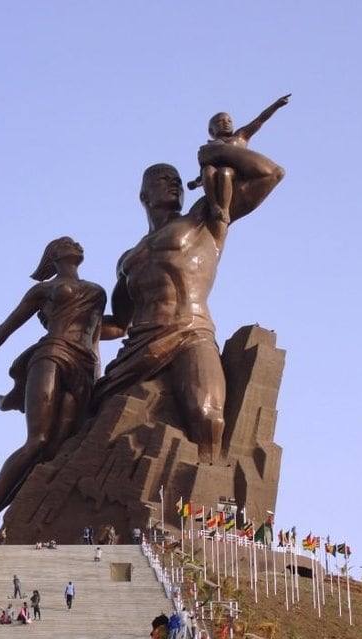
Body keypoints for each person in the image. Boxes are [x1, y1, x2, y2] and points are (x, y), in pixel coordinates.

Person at [94, 139, 285, 464]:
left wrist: (218, 153)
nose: (173, 183)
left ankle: (204, 497)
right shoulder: (128, 259)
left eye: (177, 181)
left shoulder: (204, 218)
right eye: (161, 178)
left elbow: (270, 174)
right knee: (88, 419)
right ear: (144, 196)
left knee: (208, 415)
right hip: (139, 345)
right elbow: (117, 323)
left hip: (190, 331)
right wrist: (67, 325)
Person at [0, 238, 123, 528]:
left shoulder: (97, 292)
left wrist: (96, 380)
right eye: (68, 243)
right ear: (54, 255)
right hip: (52, 354)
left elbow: (99, 334)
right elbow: (5, 329)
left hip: (85, 366)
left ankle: (21, 511)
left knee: (56, 450)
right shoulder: (45, 289)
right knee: (37, 440)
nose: (77, 244)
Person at [187, 95, 290, 225]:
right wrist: (198, 182)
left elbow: (260, 120)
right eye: (220, 121)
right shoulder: (208, 147)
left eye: (229, 121)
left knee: (225, 172)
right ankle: (214, 206)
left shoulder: (240, 136)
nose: (226, 123)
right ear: (211, 130)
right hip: (214, 176)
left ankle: (224, 209)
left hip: (235, 174)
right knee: (208, 170)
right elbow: (204, 171)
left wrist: (275, 106)